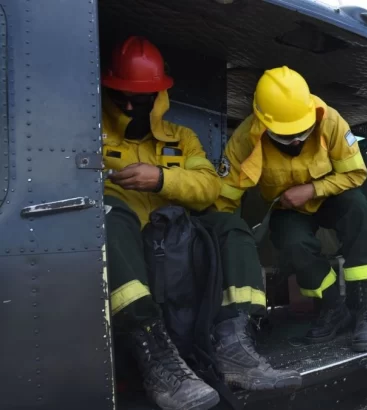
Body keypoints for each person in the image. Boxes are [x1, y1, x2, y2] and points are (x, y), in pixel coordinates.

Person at [102, 37, 300, 410]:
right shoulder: (90, 136)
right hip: (128, 251)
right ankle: (152, 349)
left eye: (140, 98)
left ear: (159, 96)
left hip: (178, 247)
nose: (129, 106)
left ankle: (234, 342)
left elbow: (209, 188)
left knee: (228, 223)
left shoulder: (182, 139)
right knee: (109, 214)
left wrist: (161, 179)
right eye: (120, 96)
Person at [213, 66, 367, 352]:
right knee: (291, 244)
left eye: (302, 132)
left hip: (332, 194)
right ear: (263, 123)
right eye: (286, 134)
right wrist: (227, 238)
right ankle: (334, 307)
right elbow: (225, 197)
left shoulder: (330, 120)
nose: (295, 140)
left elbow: (355, 174)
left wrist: (312, 189)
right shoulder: (244, 140)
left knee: (362, 216)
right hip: (287, 206)